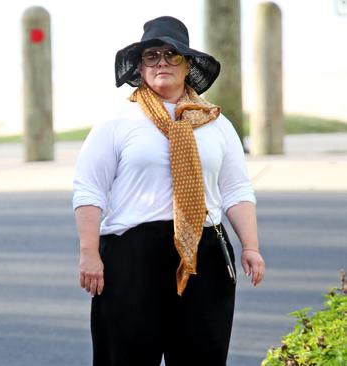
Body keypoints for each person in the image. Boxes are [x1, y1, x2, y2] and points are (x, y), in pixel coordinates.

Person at [73, 16, 265, 365]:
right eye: (152, 55)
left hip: (203, 254)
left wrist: (250, 246)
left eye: (172, 54)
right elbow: (89, 190)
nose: (162, 62)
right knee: (125, 357)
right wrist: (89, 253)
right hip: (132, 256)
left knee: (202, 357)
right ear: (141, 67)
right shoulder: (117, 121)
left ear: (187, 64)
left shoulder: (216, 122)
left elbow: (236, 189)